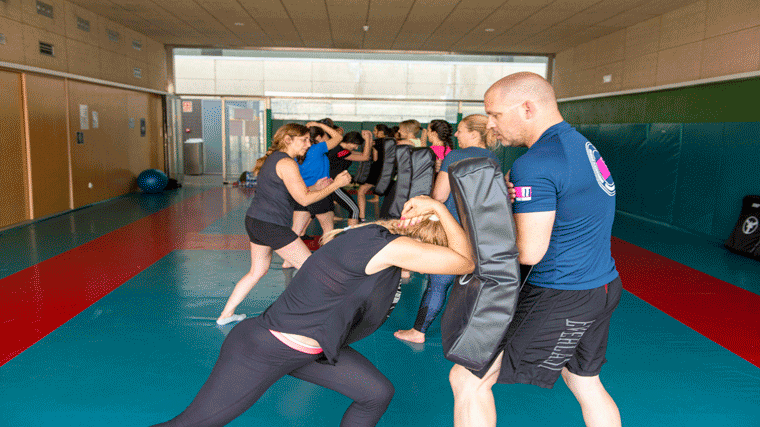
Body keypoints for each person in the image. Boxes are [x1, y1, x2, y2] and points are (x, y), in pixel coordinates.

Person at [153, 196, 475, 427]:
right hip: (266, 347)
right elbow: (465, 261)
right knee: (193, 423)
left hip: (312, 349)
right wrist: (437, 208)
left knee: (376, 393)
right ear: (424, 244)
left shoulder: (377, 240)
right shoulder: (388, 247)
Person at [448, 72, 622, 427]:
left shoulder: (535, 162)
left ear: (527, 108)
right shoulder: (578, 145)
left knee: (467, 378)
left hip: (561, 291)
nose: (491, 126)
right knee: (584, 381)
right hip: (601, 285)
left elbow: (529, 253)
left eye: (495, 115)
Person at [216, 123, 352, 325]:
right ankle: (309, 317)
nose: (309, 144)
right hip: (271, 225)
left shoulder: (275, 160)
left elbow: (290, 192)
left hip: (256, 221)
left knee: (257, 271)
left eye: (309, 139)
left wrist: (315, 186)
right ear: (288, 140)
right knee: (312, 269)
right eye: (304, 140)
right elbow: (304, 200)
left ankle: (225, 315)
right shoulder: (287, 163)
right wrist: (335, 185)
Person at [394, 114, 498, 344]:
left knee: (439, 282)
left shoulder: (456, 155)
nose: (457, 135)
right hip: (481, 230)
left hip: (452, 227)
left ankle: (418, 332)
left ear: (474, 134)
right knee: (473, 284)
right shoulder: (492, 157)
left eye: (460, 130)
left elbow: (439, 197)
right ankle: (472, 334)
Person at [327, 130, 373, 226]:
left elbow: (363, 155)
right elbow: (365, 157)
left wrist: (370, 139)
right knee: (354, 210)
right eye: (355, 145)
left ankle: (301, 233)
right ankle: (351, 237)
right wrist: (368, 140)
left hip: (330, 183)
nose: (356, 148)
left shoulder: (342, 151)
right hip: (332, 184)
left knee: (318, 212)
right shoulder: (340, 152)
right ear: (350, 142)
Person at [356, 124, 392, 223]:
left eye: (375, 131)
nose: (374, 132)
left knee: (361, 192)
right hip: (387, 171)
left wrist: (368, 139)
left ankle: (362, 216)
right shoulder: (390, 141)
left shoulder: (377, 143)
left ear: (381, 132)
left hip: (376, 171)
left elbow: (374, 158)